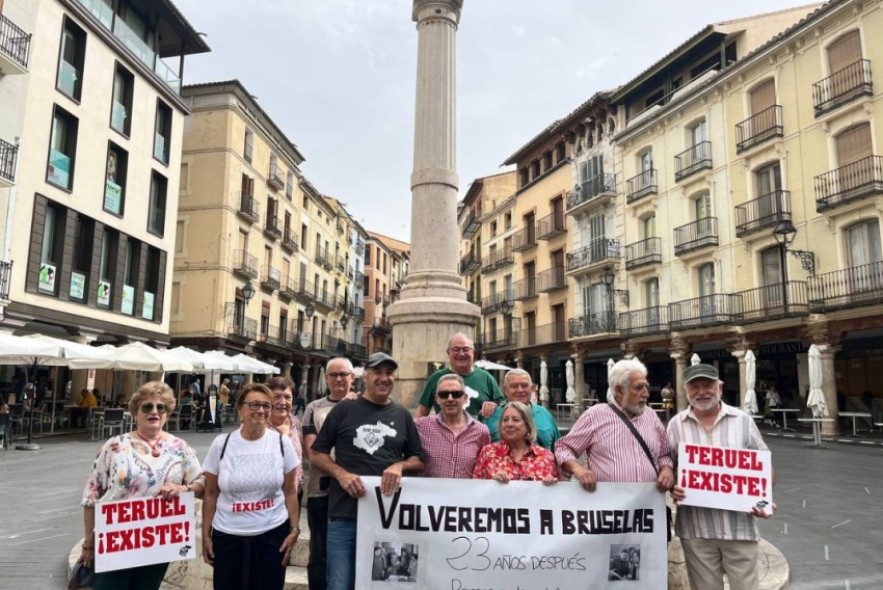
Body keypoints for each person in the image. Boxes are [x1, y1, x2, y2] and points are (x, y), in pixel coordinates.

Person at [311, 352, 424, 590]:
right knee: (339, 584)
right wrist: (341, 474)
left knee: (385, 584)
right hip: (344, 513)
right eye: (378, 372)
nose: (384, 378)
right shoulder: (343, 410)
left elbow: (418, 459)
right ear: (366, 376)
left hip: (388, 518)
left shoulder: (402, 415)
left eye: (389, 373)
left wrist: (400, 465)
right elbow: (317, 453)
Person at [79, 381, 204, 590]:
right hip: (116, 540)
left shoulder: (180, 448)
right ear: (135, 413)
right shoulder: (115, 446)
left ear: (167, 413)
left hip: (157, 541)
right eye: (147, 407)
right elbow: (91, 497)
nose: (154, 411)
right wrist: (88, 543)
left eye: (160, 407)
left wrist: (183, 489)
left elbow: (202, 481)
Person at [668, 363, 774, 590]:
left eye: (707, 385)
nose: (701, 392)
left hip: (739, 528)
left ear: (720, 388)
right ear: (685, 390)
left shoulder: (742, 420)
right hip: (696, 531)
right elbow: (666, 466)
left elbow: (763, 466)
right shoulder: (675, 425)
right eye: (694, 387)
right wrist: (672, 486)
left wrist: (762, 500)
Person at [202, 383, 301, 590]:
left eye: (266, 406)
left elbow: (290, 491)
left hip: (272, 535)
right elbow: (211, 493)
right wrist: (205, 535)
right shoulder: (222, 444)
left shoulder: (283, 443)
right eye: (254, 405)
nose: (262, 411)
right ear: (240, 408)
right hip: (228, 536)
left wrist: (294, 529)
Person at [555, 358, 674, 493]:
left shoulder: (652, 416)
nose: (646, 393)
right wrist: (578, 469)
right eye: (639, 387)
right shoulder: (595, 415)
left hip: (646, 507)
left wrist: (667, 469)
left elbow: (664, 455)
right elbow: (563, 448)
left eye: (646, 386)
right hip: (610, 507)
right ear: (619, 390)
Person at [302, 357, 355, 590]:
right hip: (320, 491)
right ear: (326, 379)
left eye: (344, 374)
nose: (339, 379)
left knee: (353, 551)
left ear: (353, 378)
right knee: (319, 553)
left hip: (355, 494)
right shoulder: (314, 408)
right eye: (334, 374)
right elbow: (313, 452)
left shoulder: (364, 406)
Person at [415, 373, 491, 478]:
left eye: (456, 394)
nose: (450, 399)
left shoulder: (481, 431)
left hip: (466, 493)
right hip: (431, 493)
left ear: (465, 398)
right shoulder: (420, 427)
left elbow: (486, 465)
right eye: (444, 394)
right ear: (437, 399)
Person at [414, 333, 505, 419]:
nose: (461, 353)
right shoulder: (436, 379)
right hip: (444, 434)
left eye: (465, 349)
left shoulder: (486, 378)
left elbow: (502, 405)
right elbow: (422, 412)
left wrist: (494, 405)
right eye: (456, 349)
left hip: (479, 434)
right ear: (448, 353)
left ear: (473, 352)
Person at [472, 401, 558, 483]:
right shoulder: (488, 453)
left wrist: (550, 485)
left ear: (528, 426)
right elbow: (476, 487)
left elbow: (555, 494)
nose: (509, 424)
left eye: (516, 420)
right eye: (505, 420)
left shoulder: (545, 457)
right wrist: (491, 483)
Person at [485, 369, 560, 450]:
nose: (520, 390)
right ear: (505, 390)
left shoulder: (544, 414)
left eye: (524, 385)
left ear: (532, 388)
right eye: (514, 386)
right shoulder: (491, 414)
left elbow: (558, 449)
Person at [267, 376, 305, 501]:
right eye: (276, 397)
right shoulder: (259, 425)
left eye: (287, 397)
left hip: (295, 493)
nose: (282, 402)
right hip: (268, 497)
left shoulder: (295, 422)